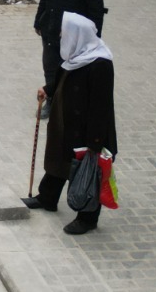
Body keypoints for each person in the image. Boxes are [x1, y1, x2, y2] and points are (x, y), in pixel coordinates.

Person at [24, 12, 118, 236]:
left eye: (63, 33)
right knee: (59, 160)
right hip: (66, 123)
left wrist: (95, 141)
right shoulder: (76, 55)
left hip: (88, 130)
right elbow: (63, 76)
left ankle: (87, 218)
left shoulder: (100, 64)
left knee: (88, 171)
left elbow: (101, 106)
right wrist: (48, 89)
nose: (60, 37)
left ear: (77, 35)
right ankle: (47, 198)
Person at [34, 0, 106, 117]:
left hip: (73, 38)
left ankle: (72, 104)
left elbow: (96, 13)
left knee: (70, 72)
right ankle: (52, 101)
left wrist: (92, 41)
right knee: (50, 67)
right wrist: (38, 20)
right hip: (50, 31)